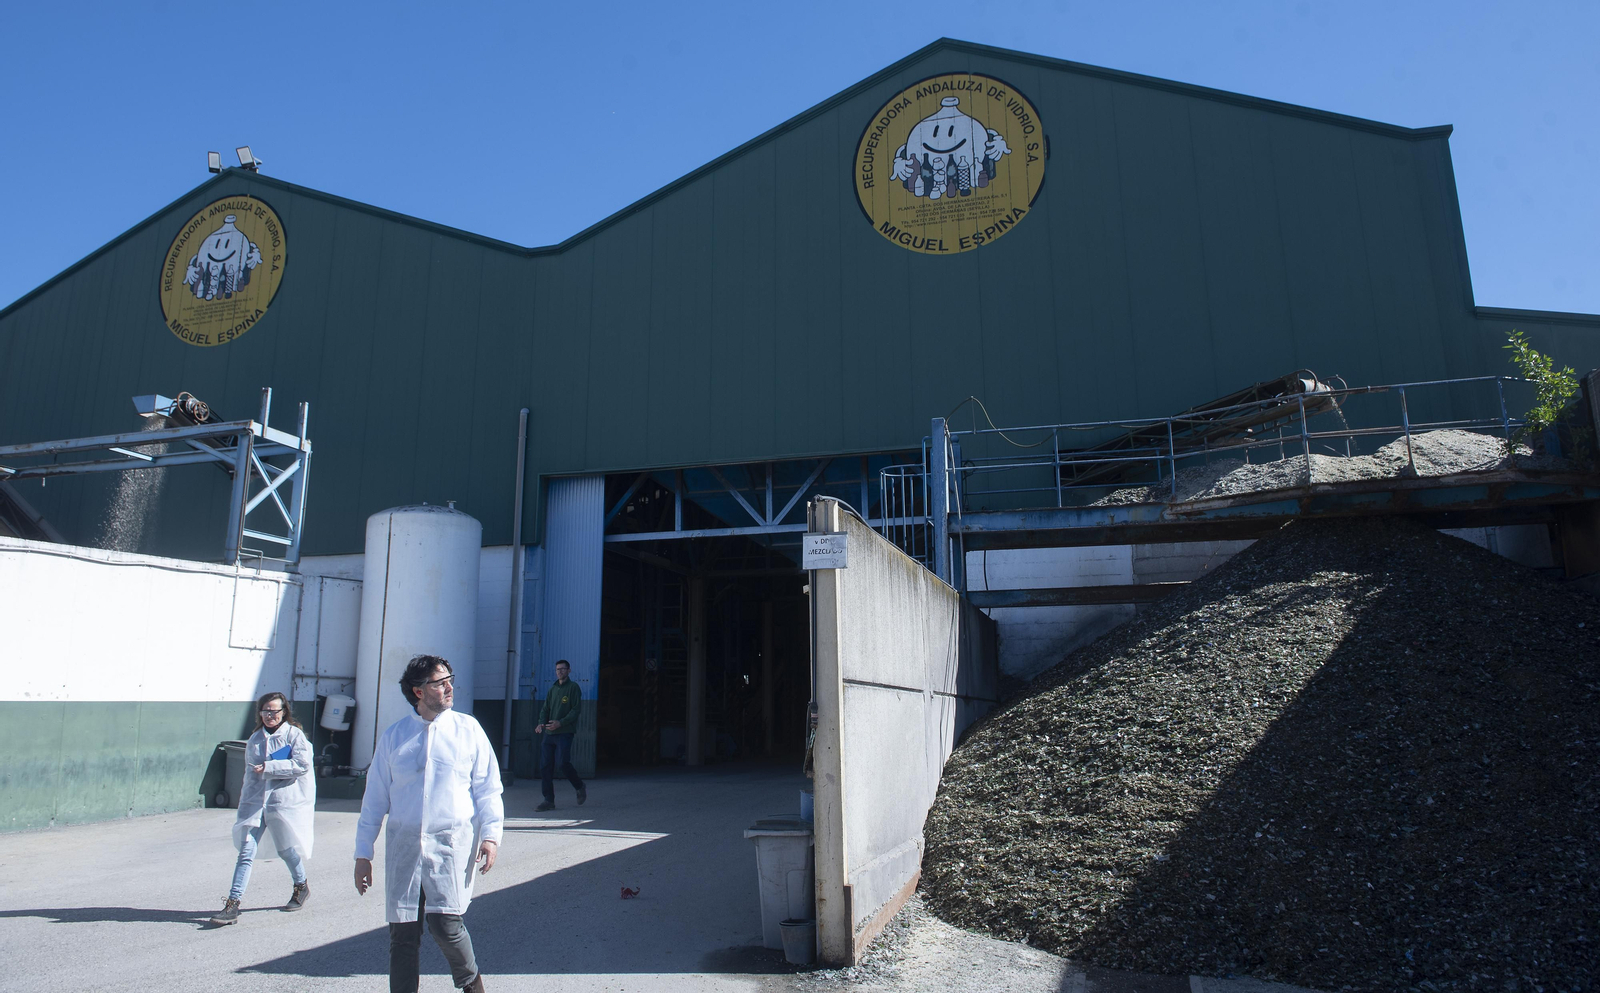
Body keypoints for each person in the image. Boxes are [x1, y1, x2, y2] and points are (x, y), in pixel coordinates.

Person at [355, 655, 502, 993]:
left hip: (450, 845)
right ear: (418, 692)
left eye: (449, 679)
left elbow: (488, 788)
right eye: (440, 682)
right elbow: (375, 799)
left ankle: (473, 987)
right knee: (402, 935)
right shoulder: (395, 736)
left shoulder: (468, 730)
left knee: (446, 925)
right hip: (405, 848)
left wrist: (491, 836)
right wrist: (363, 854)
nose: (450, 686)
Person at [211, 691, 315, 925]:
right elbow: (249, 778)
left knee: (286, 850)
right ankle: (232, 904)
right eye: (266, 711)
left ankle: (301, 885)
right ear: (260, 713)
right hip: (256, 804)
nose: (270, 715)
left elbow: (302, 765)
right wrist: (244, 806)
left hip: (282, 803)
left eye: (275, 711)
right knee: (246, 852)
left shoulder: (294, 735)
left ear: (284, 712)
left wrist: (270, 767)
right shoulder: (255, 739)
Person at [534, 659, 585, 812]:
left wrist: (560, 723)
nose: (560, 672)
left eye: (563, 669)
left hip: (564, 732)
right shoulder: (553, 689)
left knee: (563, 763)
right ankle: (548, 800)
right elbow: (545, 708)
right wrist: (541, 723)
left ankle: (579, 786)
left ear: (569, 671)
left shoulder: (573, 688)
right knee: (545, 766)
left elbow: (575, 710)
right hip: (549, 733)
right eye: (557, 669)